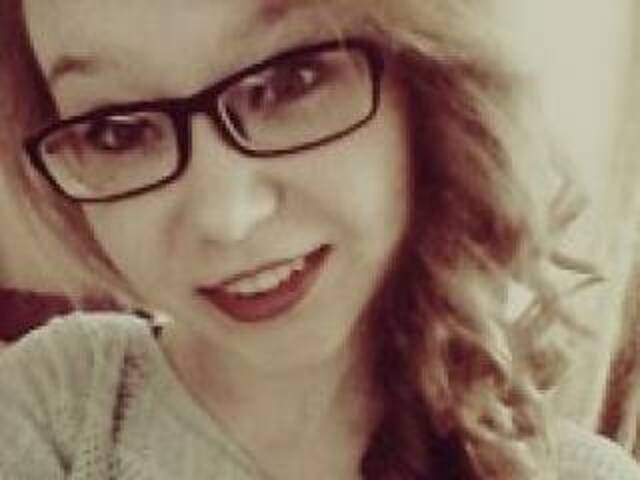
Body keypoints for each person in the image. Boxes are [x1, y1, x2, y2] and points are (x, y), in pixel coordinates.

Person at [0, 0, 639, 478]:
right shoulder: (59, 410)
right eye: (116, 130)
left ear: (427, 81)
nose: (226, 218)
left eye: (291, 82)